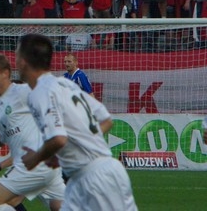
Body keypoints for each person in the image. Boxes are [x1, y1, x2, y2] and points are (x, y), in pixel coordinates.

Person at [18, 34, 137, 211]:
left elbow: (58, 139)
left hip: (95, 177)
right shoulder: (65, 83)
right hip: (83, 177)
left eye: (17, 56)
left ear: (24, 61)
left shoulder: (41, 93)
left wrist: (35, 158)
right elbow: (106, 120)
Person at [0, 54, 64, 211]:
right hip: (46, 164)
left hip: (32, 163)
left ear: (5, 73)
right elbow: (1, 140)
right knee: (59, 206)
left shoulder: (21, 91)